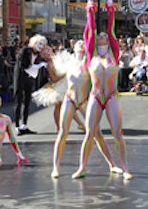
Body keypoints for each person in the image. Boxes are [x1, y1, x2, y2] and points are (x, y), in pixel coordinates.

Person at [71, 0, 132, 180]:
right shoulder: (91, 55)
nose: (103, 36)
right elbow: (90, 33)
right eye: (100, 36)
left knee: (117, 134)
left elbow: (112, 32)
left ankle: (125, 168)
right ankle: (82, 167)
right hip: (96, 96)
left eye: (105, 35)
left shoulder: (114, 54)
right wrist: (91, 12)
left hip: (112, 96)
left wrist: (111, 12)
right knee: (90, 133)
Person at [51, 40, 122, 178]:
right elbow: (56, 76)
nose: (81, 45)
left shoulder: (90, 62)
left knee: (97, 134)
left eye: (84, 43)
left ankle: (112, 164)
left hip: (84, 100)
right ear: (74, 47)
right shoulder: (69, 61)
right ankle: (55, 168)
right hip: (70, 98)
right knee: (62, 133)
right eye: (79, 43)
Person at [13, 34, 48, 135]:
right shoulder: (25, 50)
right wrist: (38, 66)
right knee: (18, 101)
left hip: (29, 79)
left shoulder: (37, 55)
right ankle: (16, 126)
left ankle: (24, 125)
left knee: (27, 100)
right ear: (34, 43)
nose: (40, 46)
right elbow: (24, 66)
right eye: (39, 43)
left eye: (42, 44)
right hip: (20, 77)